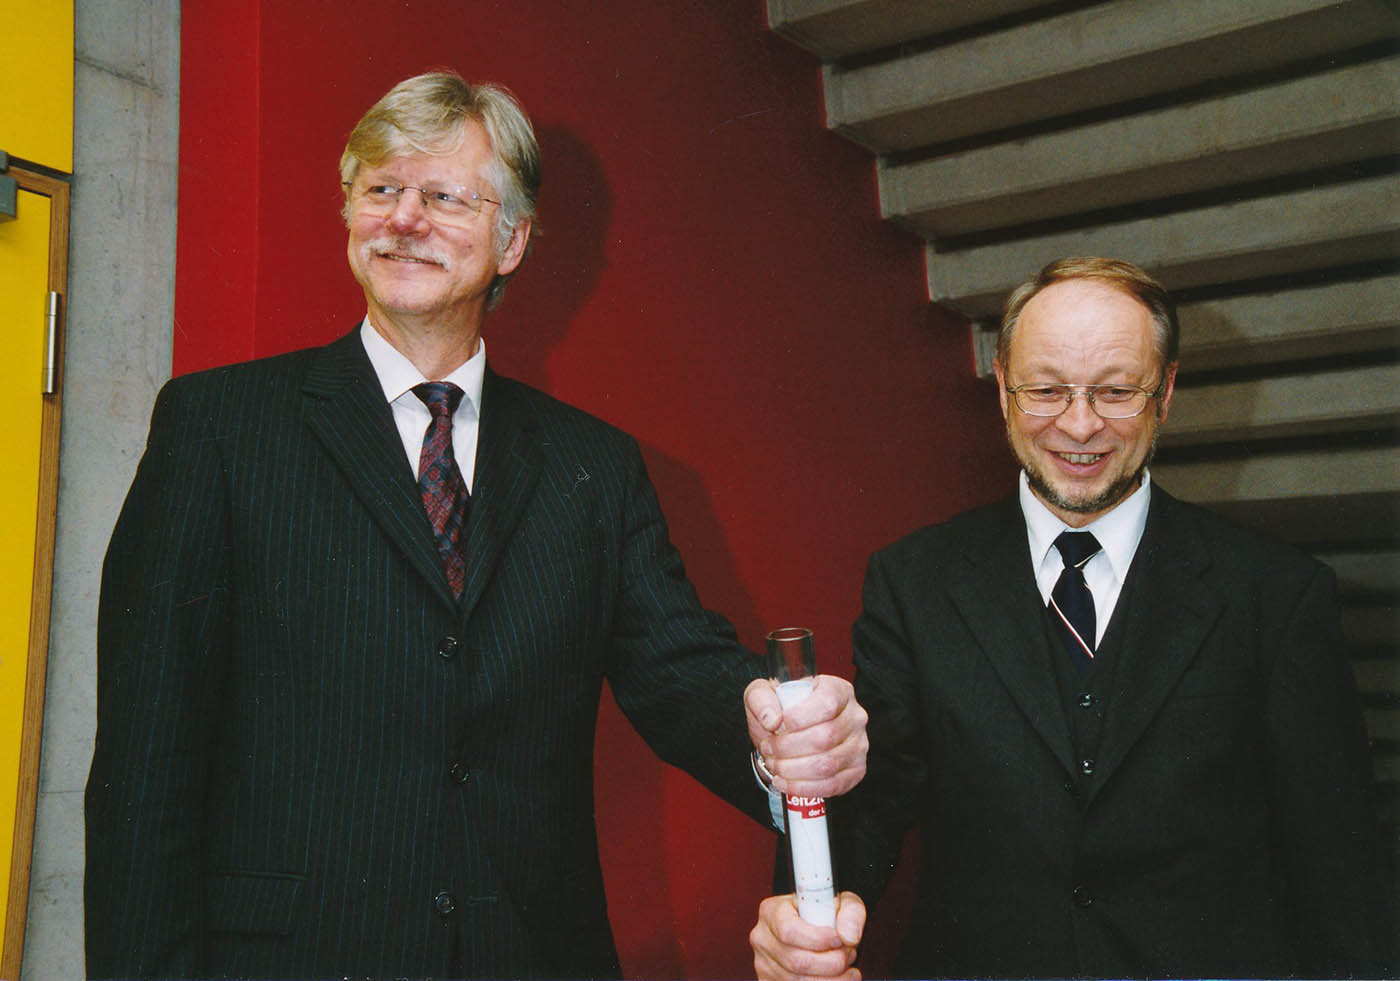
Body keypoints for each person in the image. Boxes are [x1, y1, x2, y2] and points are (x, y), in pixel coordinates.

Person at [85, 71, 867, 980]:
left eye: (446, 196)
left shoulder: (595, 467)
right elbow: (146, 767)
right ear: (350, 213)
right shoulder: (218, 428)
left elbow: (678, 670)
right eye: (381, 188)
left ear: (513, 241)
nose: (405, 217)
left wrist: (778, 736)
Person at [750, 257, 1395, 979]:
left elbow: (1340, 874)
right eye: (1047, 389)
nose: (1080, 424)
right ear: (1001, 389)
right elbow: (868, 798)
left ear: (1167, 392)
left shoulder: (1279, 594)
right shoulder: (912, 582)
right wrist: (804, 915)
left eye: (1117, 390)